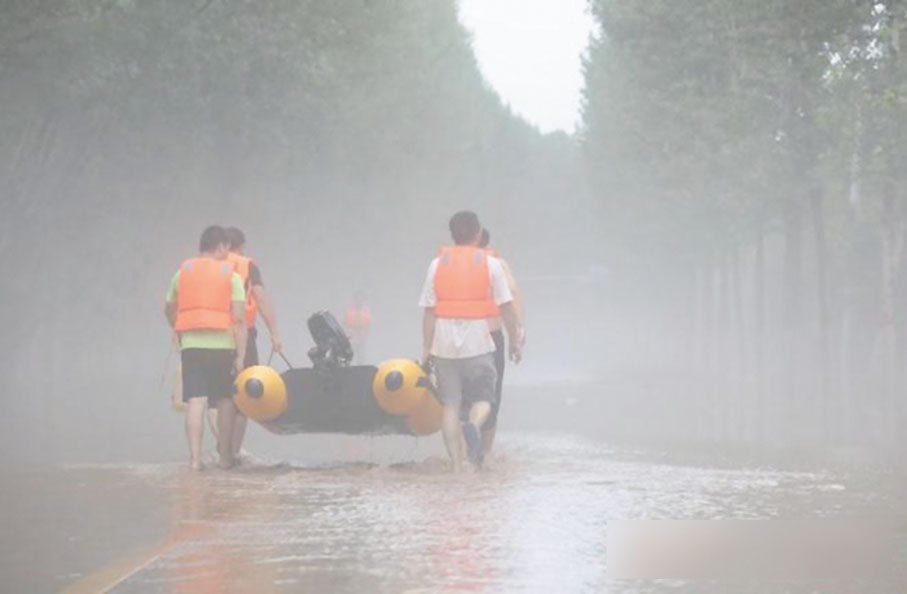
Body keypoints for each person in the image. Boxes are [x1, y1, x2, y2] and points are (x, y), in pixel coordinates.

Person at [419, 211, 522, 471]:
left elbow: (429, 311)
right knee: (484, 399)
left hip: (443, 343)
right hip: (478, 340)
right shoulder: (491, 264)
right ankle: (474, 426)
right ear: (478, 233)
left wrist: (426, 348)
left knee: (450, 405)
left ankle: (456, 467)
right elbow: (508, 305)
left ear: (452, 236)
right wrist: (515, 340)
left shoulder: (436, 264)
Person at [164, 225, 247, 470]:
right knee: (224, 401)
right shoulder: (230, 275)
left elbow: (168, 308)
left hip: (191, 345)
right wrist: (240, 356)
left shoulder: (182, 273)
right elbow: (240, 319)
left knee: (196, 402)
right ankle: (225, 458)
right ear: (221, 246)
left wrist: (177, 327)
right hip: (222, 345)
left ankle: (195, 461)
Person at [207, 226, 283, 458]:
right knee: (243, 397)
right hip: (243, 335)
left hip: (212, 336)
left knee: (216, 399)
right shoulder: (247, 265)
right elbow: (259, 298)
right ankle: (233, 452)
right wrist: (274, 332)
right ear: (239, 246)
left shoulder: (207, 266)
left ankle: (222, 446)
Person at [475, 228, 525, 454]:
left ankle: (461, 457)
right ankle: (484, 456)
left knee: (458, 397)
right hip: (491, 336)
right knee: (491, 396)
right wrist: (517, 335)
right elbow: (511, 298)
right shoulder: (498, 264)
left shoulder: (446, 264)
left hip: (455, 338)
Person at [344, 291, 372, 364]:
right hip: (351, 337)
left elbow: (368, 324)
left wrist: (364, 335)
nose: (359, 301)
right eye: (357, 298)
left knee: (361, 356)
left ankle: (361, 367)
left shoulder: (366, 310)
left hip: (362, 338)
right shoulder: (349, 310)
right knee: (350, 355)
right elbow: (345, 323)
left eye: (361, 299)